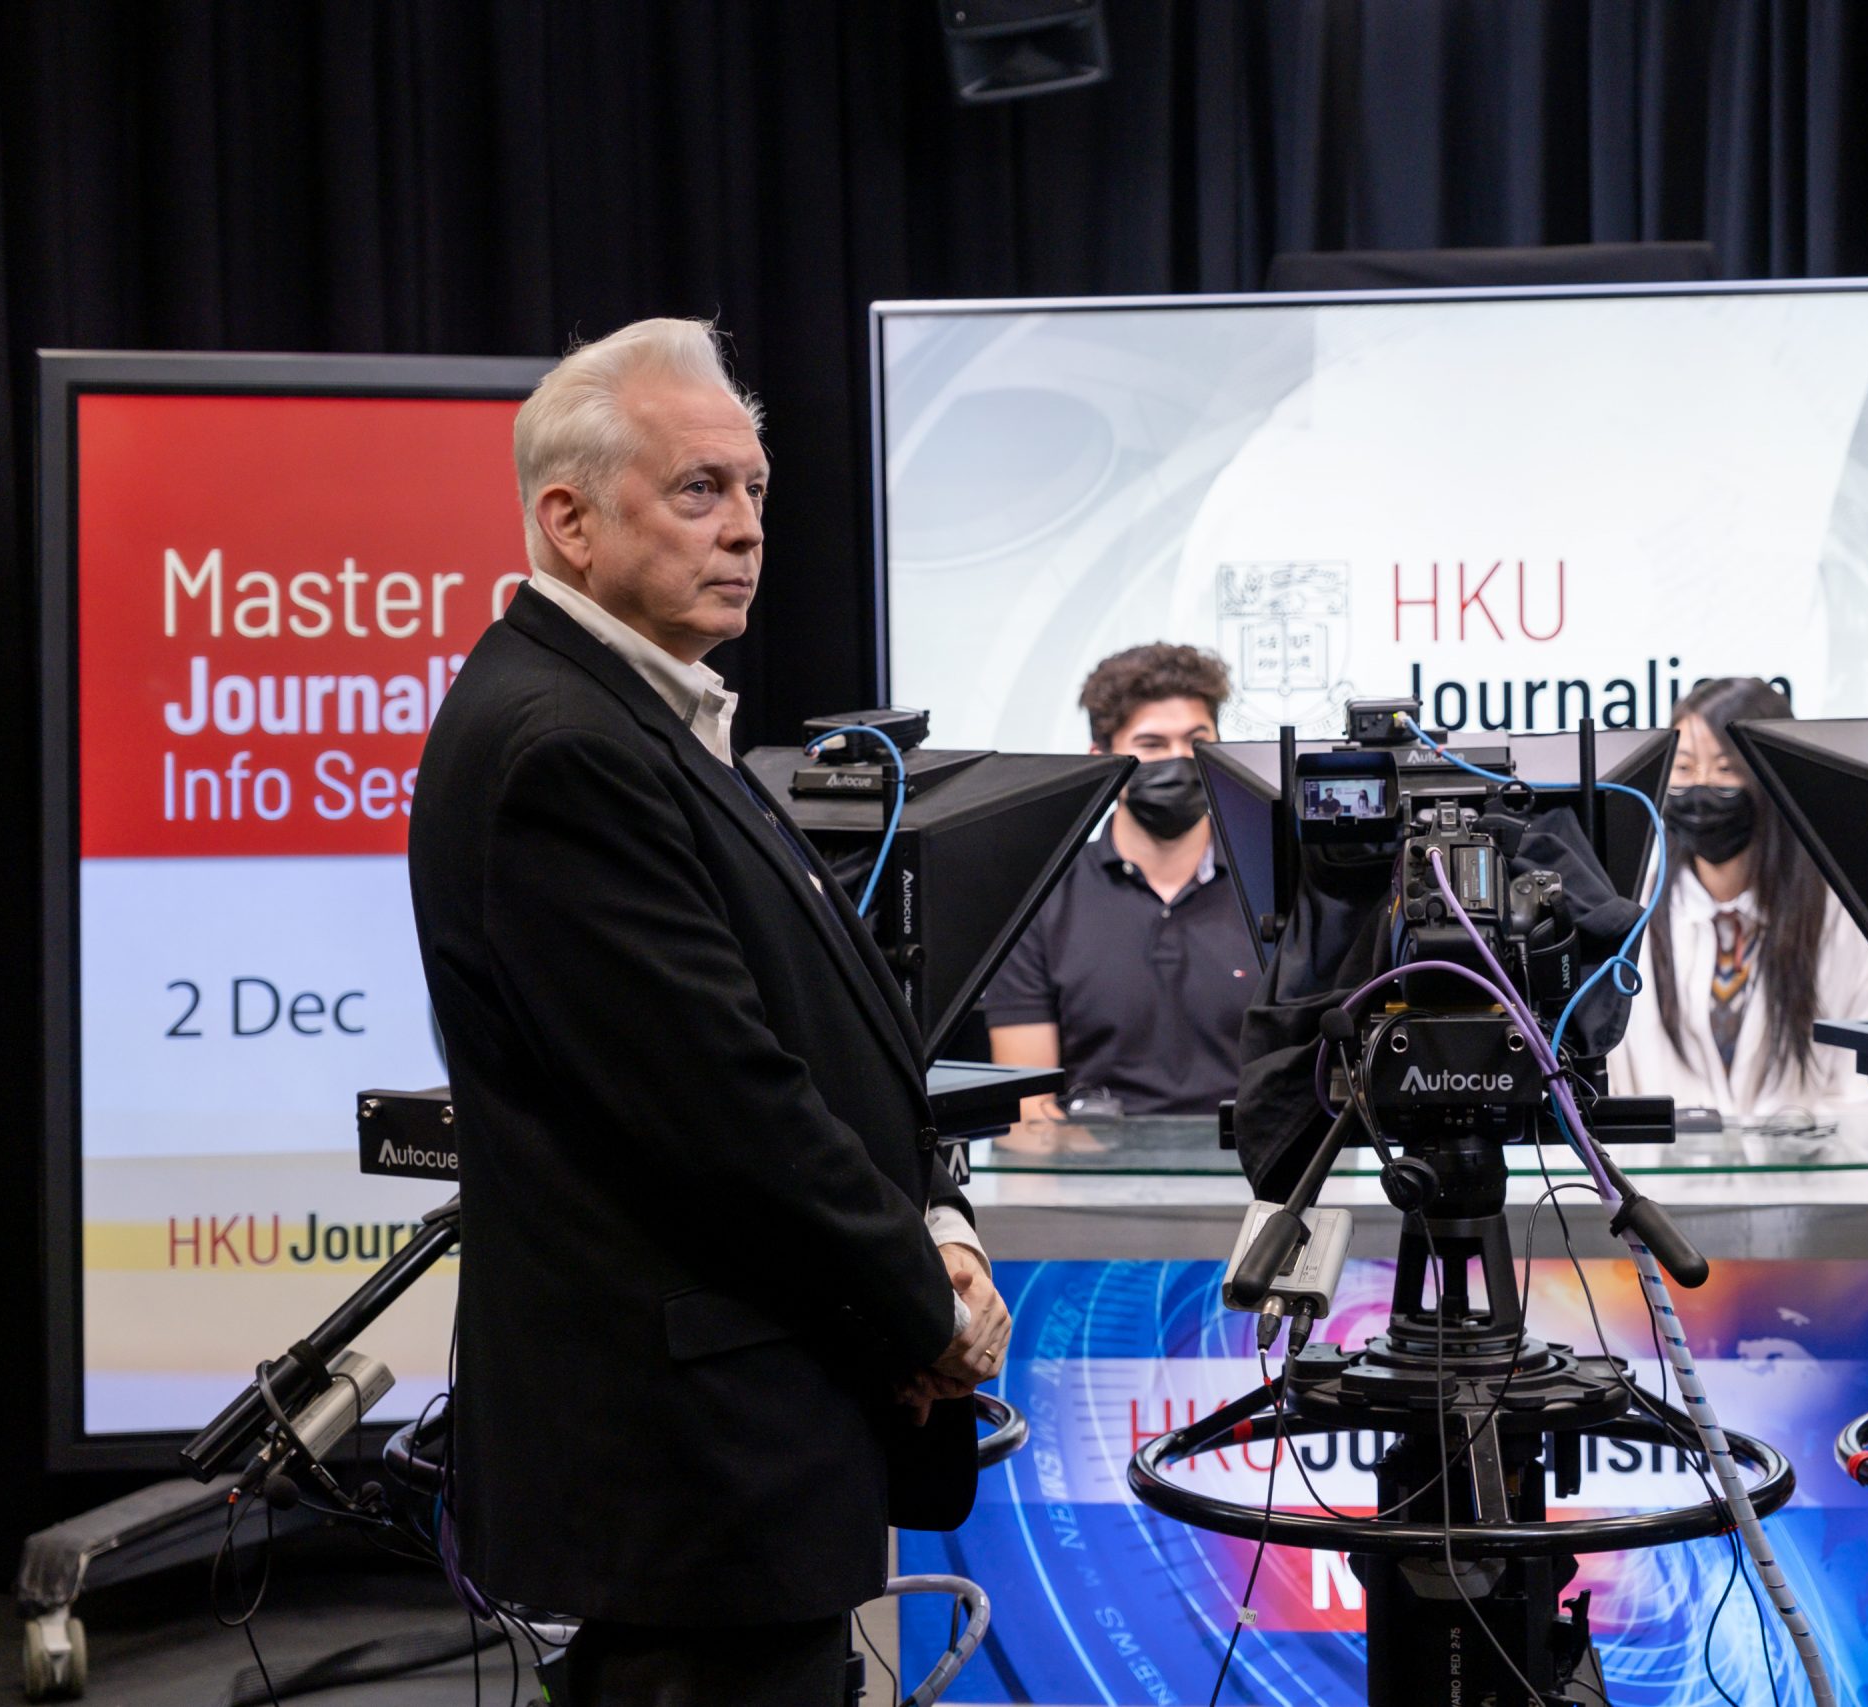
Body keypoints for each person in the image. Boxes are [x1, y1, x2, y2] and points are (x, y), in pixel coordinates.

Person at [408, 318, 1008, 1705]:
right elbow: (725, 1111)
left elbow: (826, 1043)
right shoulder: (564, 747)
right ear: (569, 520)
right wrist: (923, 1309)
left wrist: (938, 1222)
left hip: (744, 1451)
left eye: (754, 488)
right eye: (698, 490)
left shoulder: (649, 715)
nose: (744, 527)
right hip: (688, 1475)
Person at [1608, 677, 1868, 1127]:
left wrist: (1793, 1137)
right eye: (1684, 768)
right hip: (1664, 1172)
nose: (1701, 788)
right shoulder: (1632, 913)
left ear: (1772, 777)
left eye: (1725, 769)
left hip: (1814, 1169)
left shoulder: (1846, 918)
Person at [984, 644, 1256, 1118]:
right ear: (1102, 760)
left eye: (1196, 740)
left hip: (1256, 1161)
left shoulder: (1274, 885)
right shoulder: (1039, 900)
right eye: (1152, 745)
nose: (1179, 758)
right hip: (1091, 1158)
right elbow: (1029, 1113)